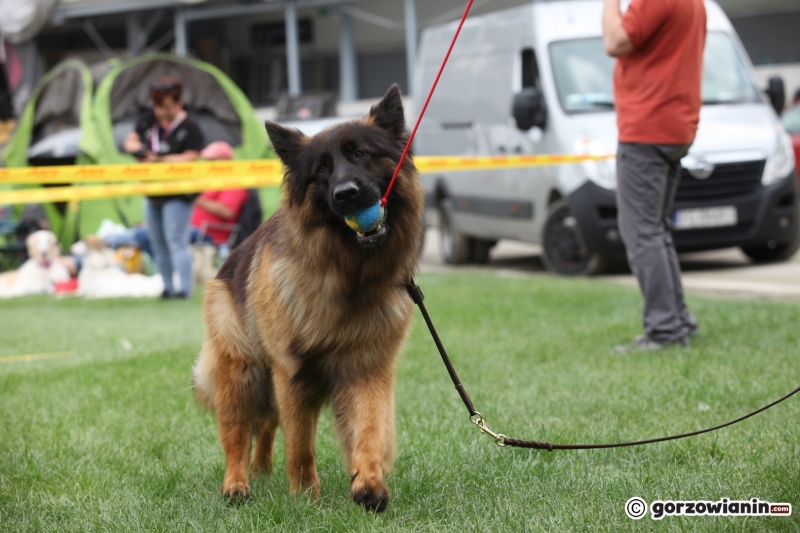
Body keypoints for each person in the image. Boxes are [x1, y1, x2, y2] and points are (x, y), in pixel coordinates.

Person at [603, 0, 706, 351]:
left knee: (642, 232)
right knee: (657, 230)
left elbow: (615, 41)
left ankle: (664, 330)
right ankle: (678, 319)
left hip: (646, 127)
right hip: (675, 124)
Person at [123, 77, 204, 299]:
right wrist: (139, 151)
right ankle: (168, 288)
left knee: (177, 241)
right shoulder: (148, 120)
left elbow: (191, 157)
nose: (161, 112)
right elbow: (129, 142)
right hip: (153, 190)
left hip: (179, 192)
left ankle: (185, 290)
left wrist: (160, 159)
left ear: (179, 103)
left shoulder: (190, 127)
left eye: (167, 106)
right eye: (158, 106)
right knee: (157, 242)